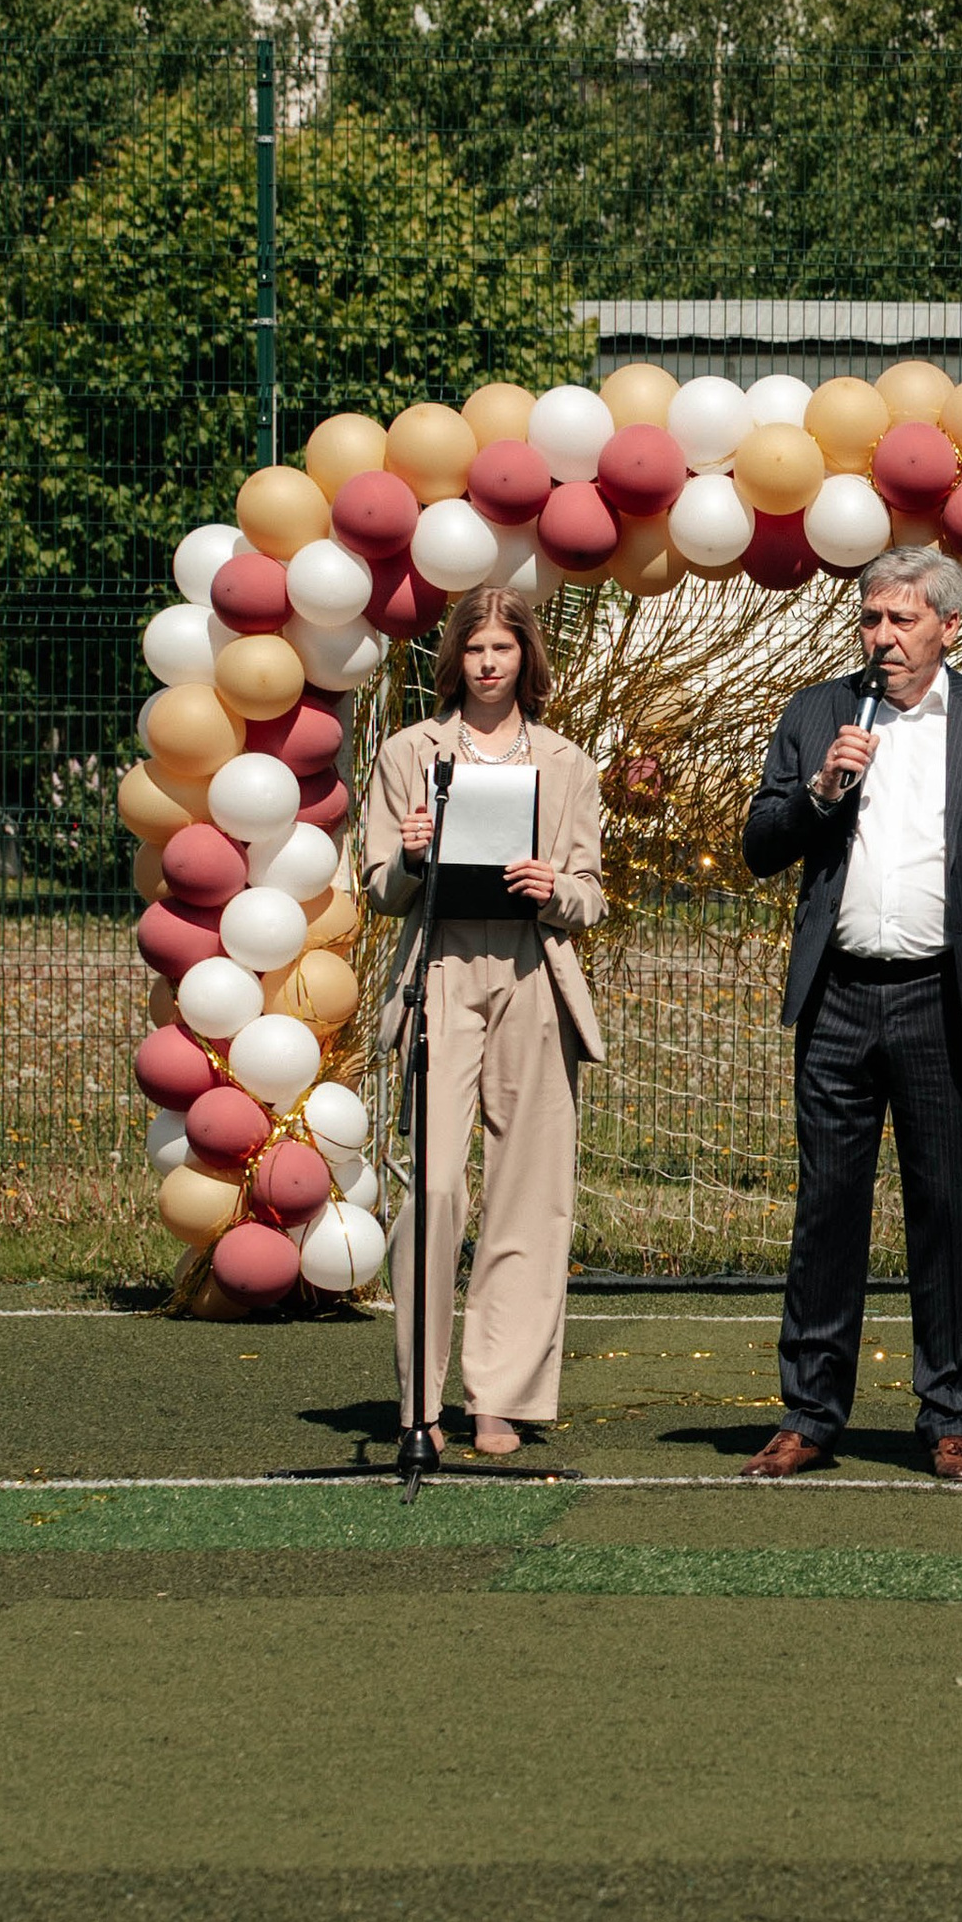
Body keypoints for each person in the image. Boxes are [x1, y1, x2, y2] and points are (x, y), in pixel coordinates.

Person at [739, 545, 962, 1485]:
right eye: (871, 619)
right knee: (827, 1211)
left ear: (949, 628)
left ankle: (949, 1416)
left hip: (944, 998)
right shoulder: (817, 713)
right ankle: (810, 1415)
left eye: (902, 620)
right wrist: (820, 791)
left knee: (948, 1213)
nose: (883, 637)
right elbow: (761, 844)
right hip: (838, 996)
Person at [362, 583, 606, 1462]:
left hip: (535, 974)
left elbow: (591, 892)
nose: (489, 662)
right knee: (433, 1186)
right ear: (454, 660)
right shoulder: (407, 753)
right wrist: (414, 855)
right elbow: (381, 887)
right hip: (439, 967)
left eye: (504, 648)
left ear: (526, 658)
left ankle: (500, 1397)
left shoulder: (567, 762)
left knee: (527, 1194)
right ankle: (417, 1405)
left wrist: (557, 889)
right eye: (474, 649)